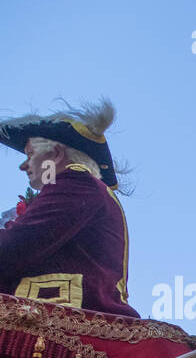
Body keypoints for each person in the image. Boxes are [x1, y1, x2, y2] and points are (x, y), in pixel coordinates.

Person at [0, 101, 137, 316]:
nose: (23, 165)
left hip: (65, 315)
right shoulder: (82, 186)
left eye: (29, 154)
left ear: (55, 154)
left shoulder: (76, 181)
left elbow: (12, 249)